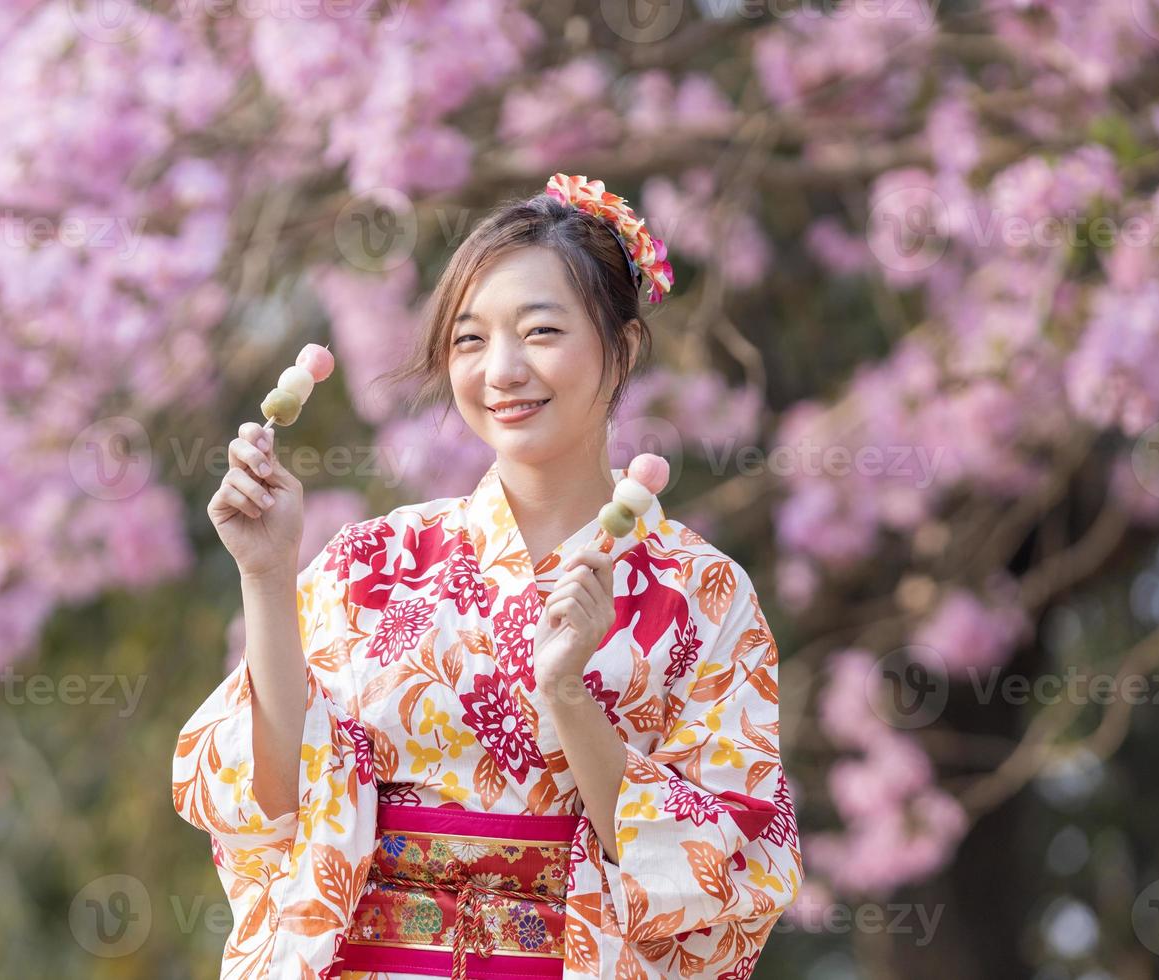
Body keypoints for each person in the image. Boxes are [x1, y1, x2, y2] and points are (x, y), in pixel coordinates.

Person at [173, 173, 802, 980]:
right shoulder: (371, 563)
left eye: (540, 331)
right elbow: (267, 805)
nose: (501, 370)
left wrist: (568, 694)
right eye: (469, 339)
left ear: (625, 348)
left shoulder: (702, 595)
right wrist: (265, 577)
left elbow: (723, 875)